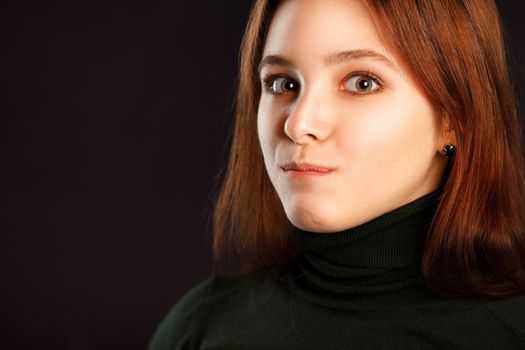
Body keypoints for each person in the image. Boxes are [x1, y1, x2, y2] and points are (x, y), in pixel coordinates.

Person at [149, 0, 525, 348]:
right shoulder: (199, 325)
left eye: (362, 83)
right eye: (283, 83)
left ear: (454, 119)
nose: (299, 123)